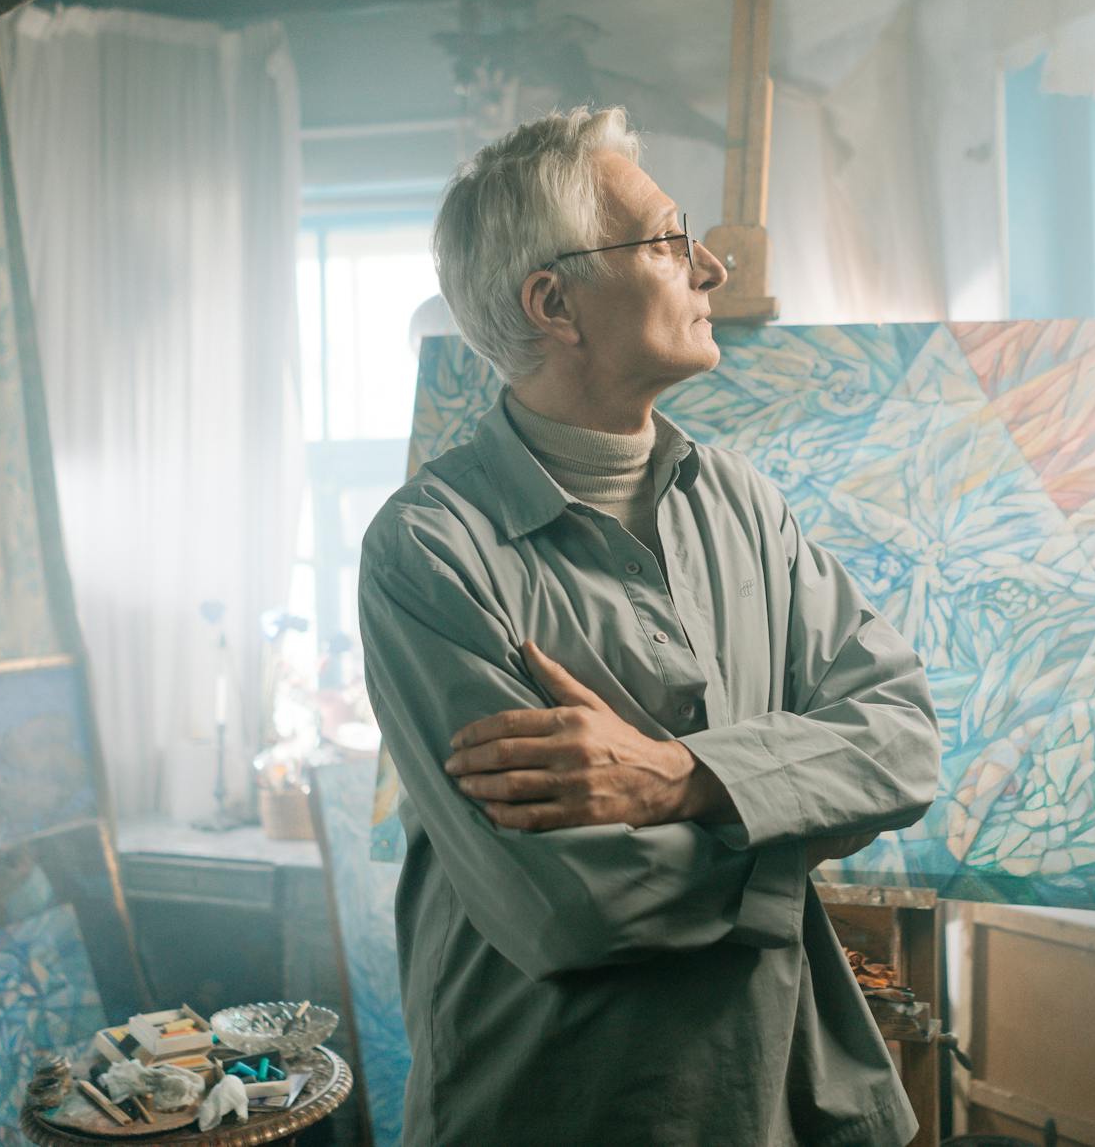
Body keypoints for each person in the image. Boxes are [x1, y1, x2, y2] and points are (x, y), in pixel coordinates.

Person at [358, 106, 942, 1146]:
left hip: (767, 1101)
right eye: (670, 242)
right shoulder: (429, 549)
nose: (711, 267)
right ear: (554, 303)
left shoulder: (742, 502)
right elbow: (569, 908)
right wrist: (792, 818)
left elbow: (902, 743)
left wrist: (683, 779)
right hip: (549, 1107)